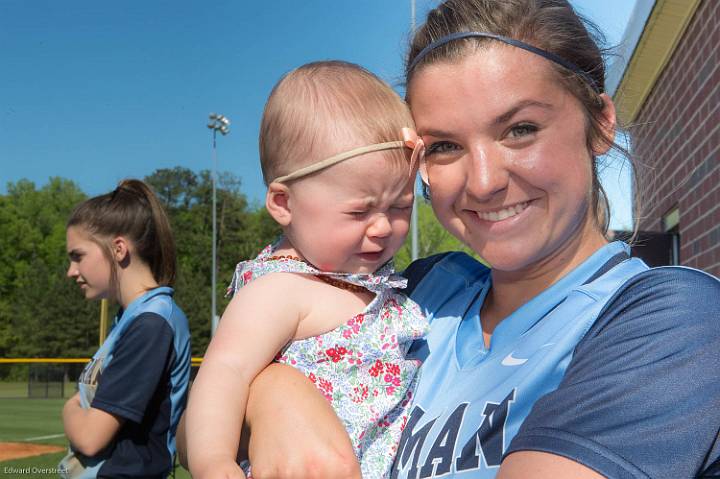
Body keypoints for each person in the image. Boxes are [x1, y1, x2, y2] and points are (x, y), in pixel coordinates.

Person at [237, 1, 720, 478]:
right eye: (445, 146)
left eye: (520, 129)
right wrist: (275, 389)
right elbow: (257, 331)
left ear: (601, 124)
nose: (484, 181)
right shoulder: (415, 295)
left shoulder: (673, 322)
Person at [183, 61, 428, 479]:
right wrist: (213, 461)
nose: (384, 226)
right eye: (359, 211)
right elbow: (225, 371)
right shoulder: (281, 289)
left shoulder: (366, 280)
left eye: (401, 206)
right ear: (283, 204)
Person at [61, 179, 191, 479]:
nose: (71, 271)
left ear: (118, 249)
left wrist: (69, 410)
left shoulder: (152, 322)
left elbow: (91, 438)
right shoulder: (132, 318)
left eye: (77, 256)